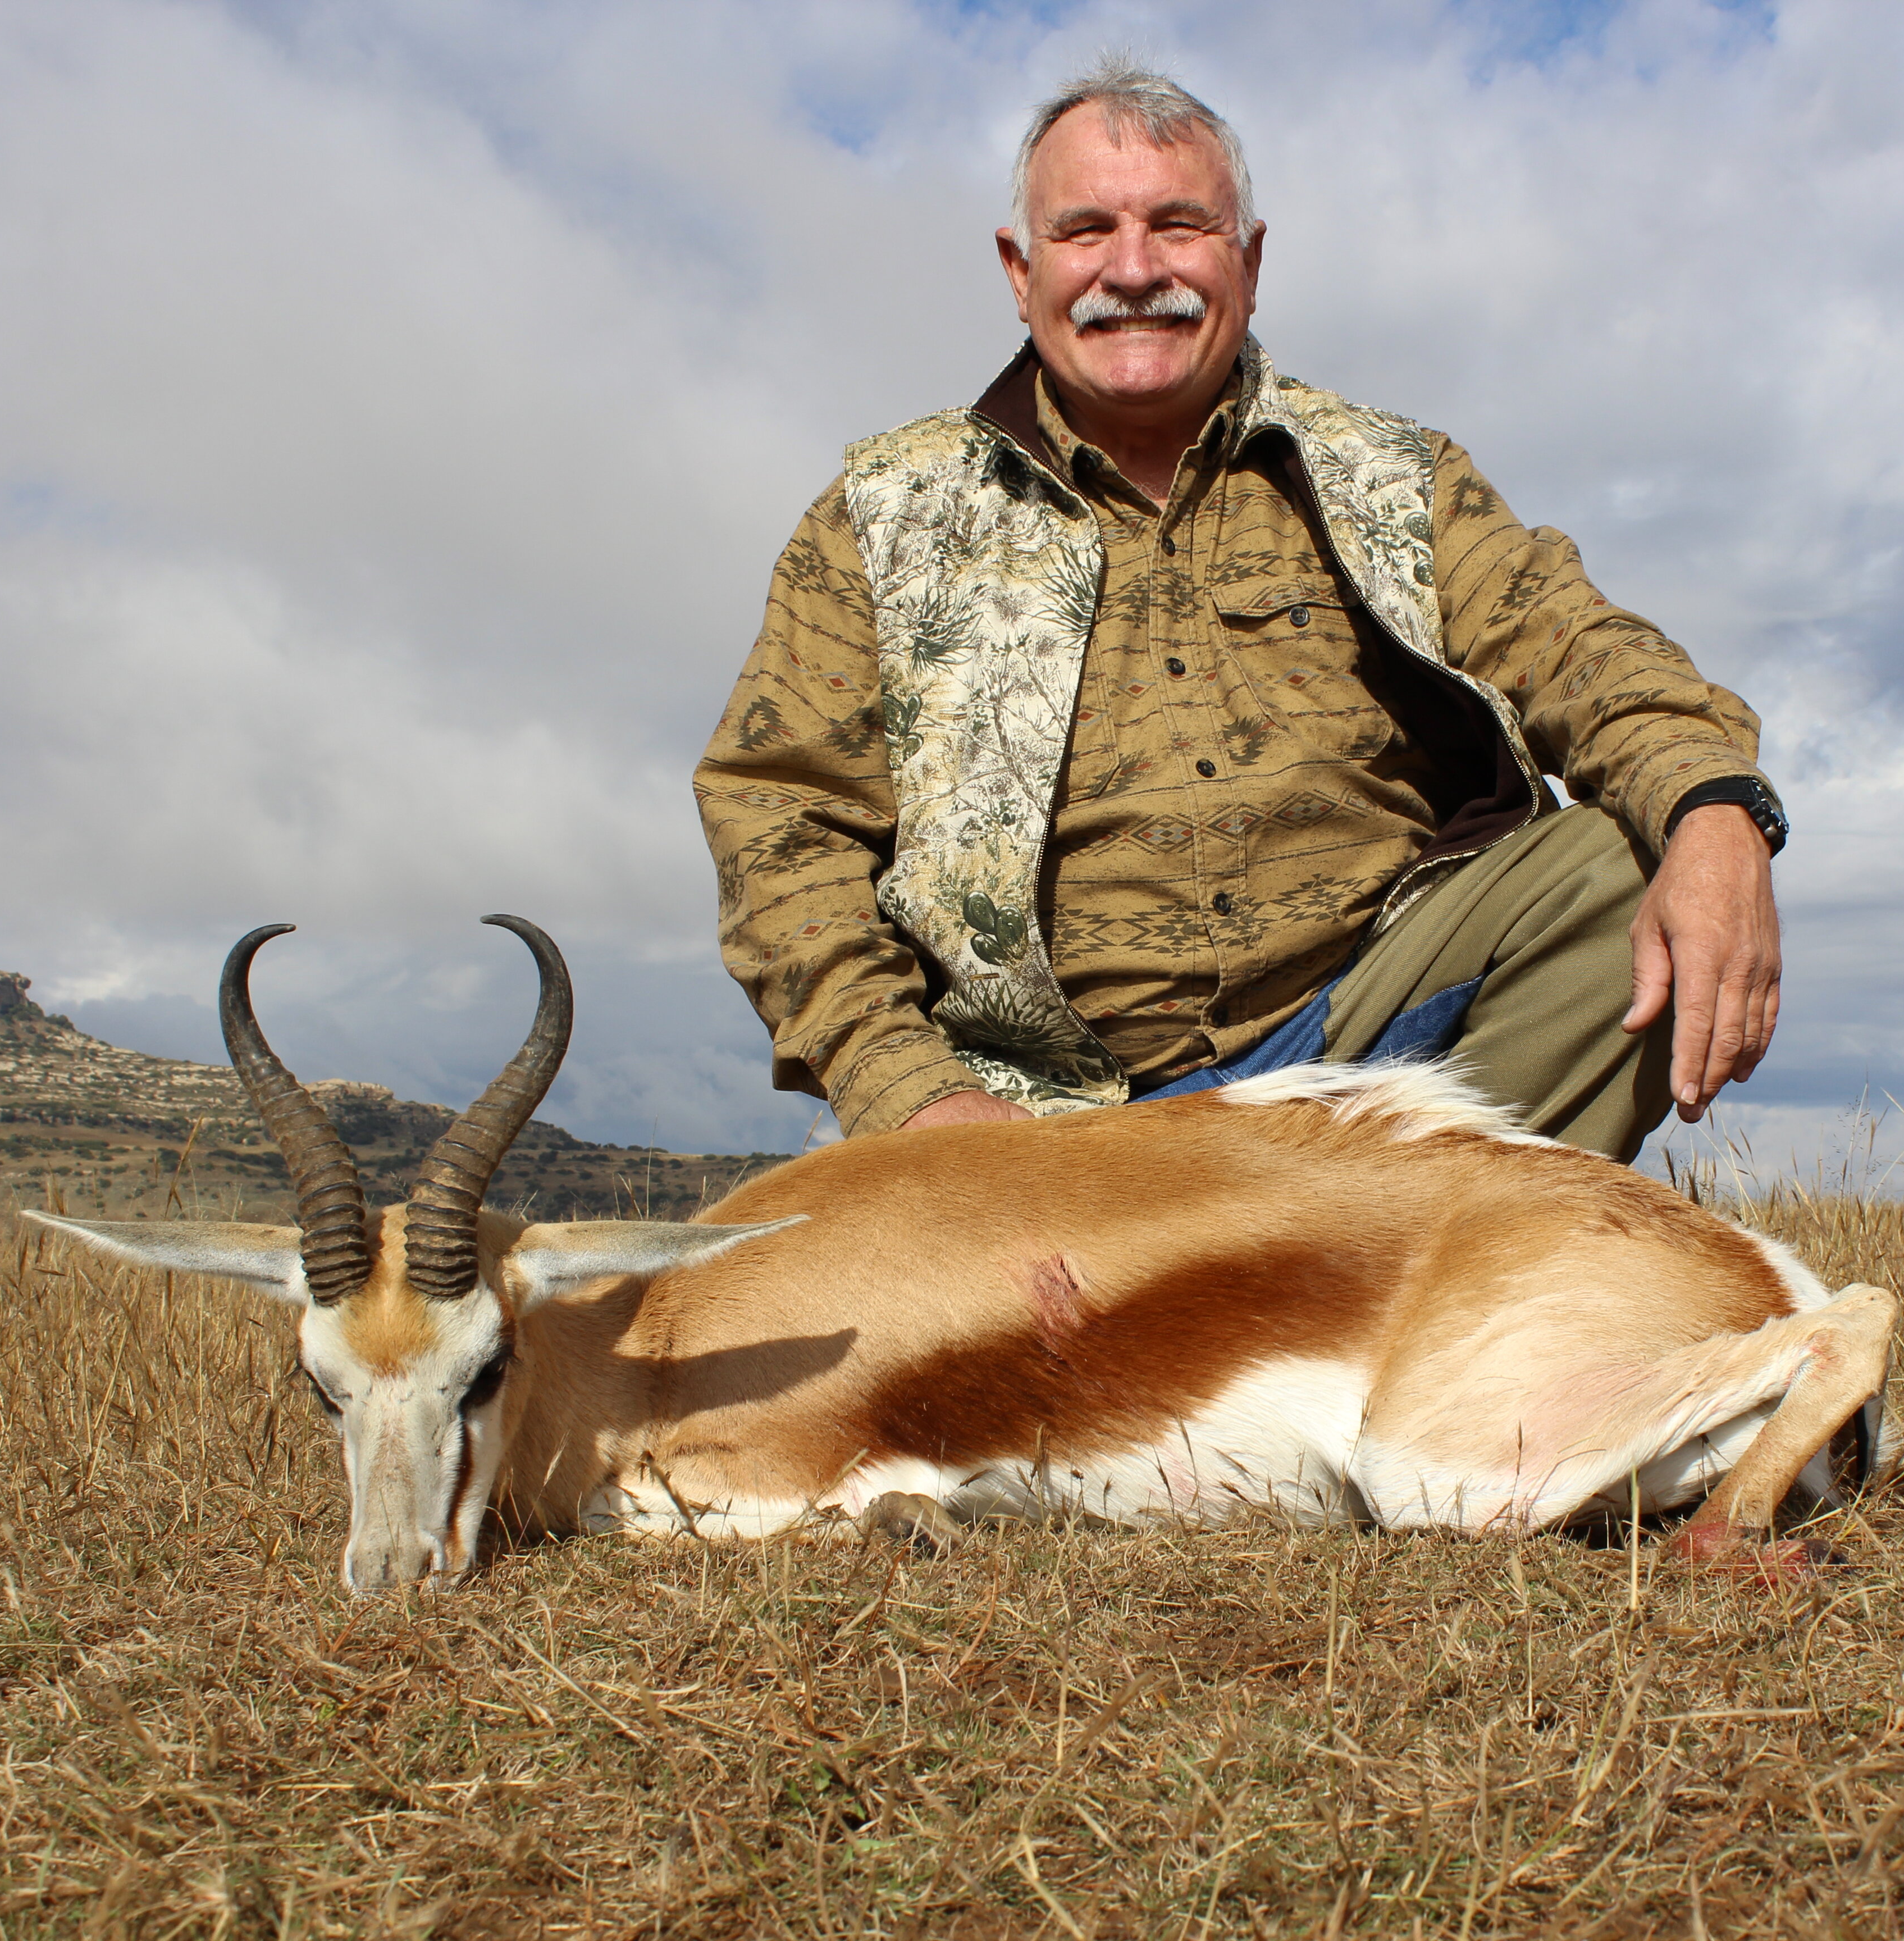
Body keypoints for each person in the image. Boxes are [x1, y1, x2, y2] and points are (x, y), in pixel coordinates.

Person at [697, 58, 1787, 1163]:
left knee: (1623, 866)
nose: (1133, 270)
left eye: (1180, 226)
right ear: (1019, 271)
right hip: (1044, 1120)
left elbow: (1580, 649)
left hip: (1375, 1057)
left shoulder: (1396, 475)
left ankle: (1382, 1266)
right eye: (1086, 232)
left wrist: (1717, 810)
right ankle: (1337, 1285)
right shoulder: (878, 517)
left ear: (1249, 262)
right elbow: (778, 816)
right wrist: (915, 1098)